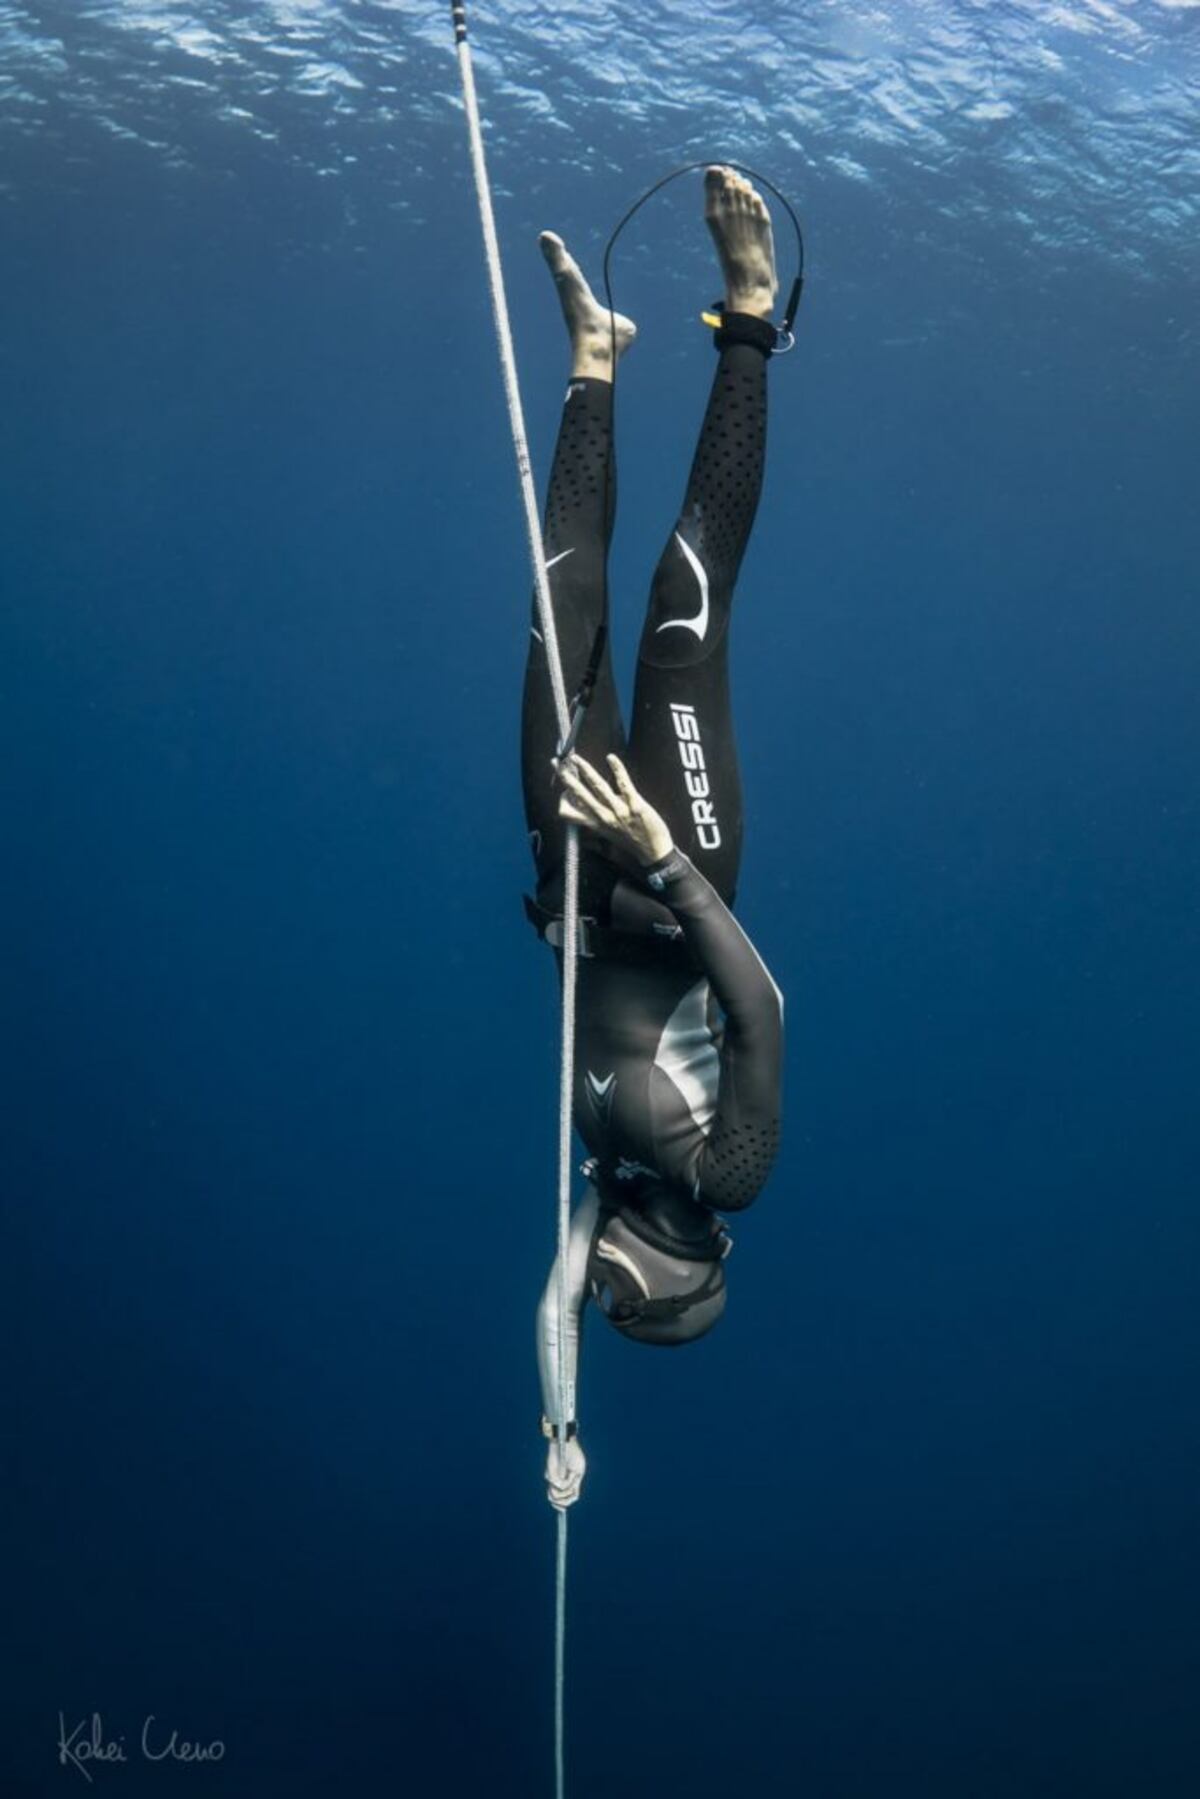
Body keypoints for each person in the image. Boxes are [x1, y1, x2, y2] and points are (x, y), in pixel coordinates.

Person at [524, 167, 786, 1509]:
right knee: (688, 597)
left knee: (559, 602)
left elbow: (555, 1305)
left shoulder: (607, 1176)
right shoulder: (720, 1175)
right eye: (637, 1285)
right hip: (673, 847)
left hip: (572, 867)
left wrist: (561, 1430)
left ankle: (595, 361)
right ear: (682, 1269)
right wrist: (668, 859)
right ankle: (750, 320)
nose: (604, 1265)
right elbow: (762, 1006)